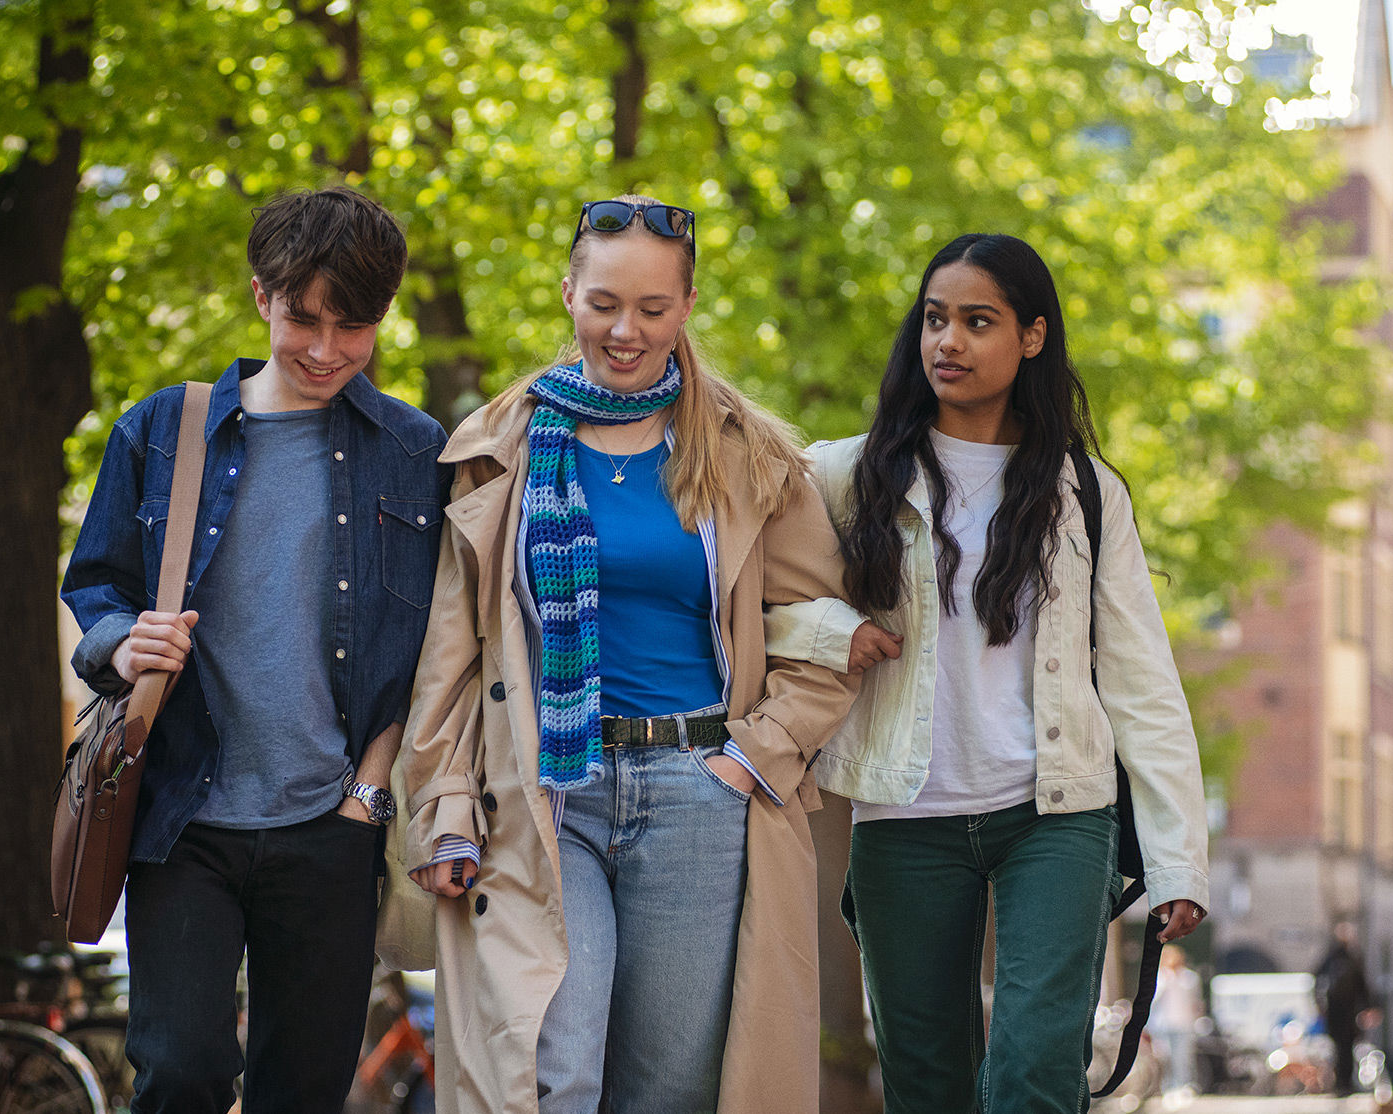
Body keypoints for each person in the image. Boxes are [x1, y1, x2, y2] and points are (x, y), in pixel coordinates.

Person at [399, 195, 860, 1114]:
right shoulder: (503, 448)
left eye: (652, 308)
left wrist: (750, 758)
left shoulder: (749, 455)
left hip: (699, 788)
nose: (626, 330)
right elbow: (454, 652)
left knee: (667, 1087)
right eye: (604, 303)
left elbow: (824, 636)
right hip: (547, 791)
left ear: (686, 306)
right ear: (568, 293)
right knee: (554, 1064)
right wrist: (441, 804)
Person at [763, 233, 1211, 1112]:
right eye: (935, 320)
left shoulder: (1082, 490)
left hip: (1054, 813)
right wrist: (829, 631)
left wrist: (1176, 859)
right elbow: (738, 600)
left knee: (1034, 1072)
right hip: (904, 814)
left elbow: (1138, 678)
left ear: (1031, 337)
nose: (948, 343)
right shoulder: (844, 475)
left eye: (977, 322)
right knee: (926, 1083)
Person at [60, 186, 450, 1114]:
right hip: (182, 818)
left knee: (303, 1093)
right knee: (180, 1070)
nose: (324, 350)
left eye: (352, 327)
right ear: (260, 296)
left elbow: (433, 644)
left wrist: (370, 791)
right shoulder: (163, 430)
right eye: (301, 318)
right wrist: (121, 644)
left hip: (332, 825)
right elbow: (95, 585)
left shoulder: (414, 450)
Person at [1313, 921, 1375, 1096]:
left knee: (1345, 1047)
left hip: (1346, 1012)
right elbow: (1317, 980)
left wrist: (1368, 1007)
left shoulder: (1350, 958)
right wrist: (1319, 1003)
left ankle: (1344, 1083)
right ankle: (1340, 1083)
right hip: (1338, 1011)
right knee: (1339, 1048)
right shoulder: (1336, 959)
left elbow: (1362, 985)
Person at [1151, 945, 1204, 1096]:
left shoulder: (1189, 977)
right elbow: (1154, 999)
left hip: (1183, 1024)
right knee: (1165, 1057)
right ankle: (1168, 1087)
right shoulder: (1160, 977)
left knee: (1182, 1058)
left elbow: (1195, 1001)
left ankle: (1183, 1086)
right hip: (1163, 1025)